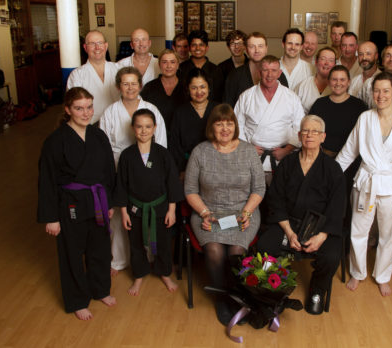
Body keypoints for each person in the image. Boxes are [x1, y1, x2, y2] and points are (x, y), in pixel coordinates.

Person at [336, 72, 392, 297]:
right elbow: (349, 151)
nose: (380, 95)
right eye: (376, 90)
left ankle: (382, 276)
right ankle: (358, 272)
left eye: (385, 90)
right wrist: (331, 176)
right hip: (366, 181)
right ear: (371, 93)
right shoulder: (365, 118)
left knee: (388, 233)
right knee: (359, 230)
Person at [38, 87, 116, 320]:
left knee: (100, 249)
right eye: (79, 108)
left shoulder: (98, 135)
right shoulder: (55, 141)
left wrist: (109, 202)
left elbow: (108, 172)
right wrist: (51, 217)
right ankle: (77, 301)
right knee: (72, 253)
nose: (85, 113)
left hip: (98, 200)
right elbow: (47, 180)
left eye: (89, 107)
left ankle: (100, 289)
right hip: (70, 204)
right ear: (67, 110)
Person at [257, 115, 346, 315]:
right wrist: (288, 232)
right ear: (299, 135)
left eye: (315, 132)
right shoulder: (287, 163)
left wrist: (322, 235)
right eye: (305, 131)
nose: (309, 135)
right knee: (264, 246)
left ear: (323, 137)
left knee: (331, 255)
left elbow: (337, 207)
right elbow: (276, 200)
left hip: (320, 227)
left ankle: (317, 290)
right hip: (288, 223)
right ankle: (273, 289)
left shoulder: (332, 169)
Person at [185, 104, 265, 325]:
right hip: (208, 212)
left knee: (236, 251)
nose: (224, 128)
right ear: (212, 127)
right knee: (214, 250)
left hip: (243, 212)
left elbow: (259, 189)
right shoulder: (200, 152)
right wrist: (204, 213)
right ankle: (222, 298)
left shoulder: (248, 151)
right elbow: (190, 190)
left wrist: (247, 212)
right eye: (219, 124)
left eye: (229, 123)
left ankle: (238, 296)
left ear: (235, 126)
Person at [100, 67, 167, 274]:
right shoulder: (110, 111)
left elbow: (161, 142)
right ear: (119, 86)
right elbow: (103, 145)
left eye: (134, 83)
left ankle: (147, 258)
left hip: (148, 166)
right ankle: (119, 259)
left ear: (140, 85)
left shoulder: (152, 109)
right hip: (119, 163)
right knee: (122, 215)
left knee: (147, 217)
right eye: (125, 83)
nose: (130, 88)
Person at [114, 109, 183, 296]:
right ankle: (139, 275)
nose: (143, 131)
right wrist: (124, 212)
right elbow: (121, 185)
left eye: (148, 126)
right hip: (135, 208)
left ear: (154, 128)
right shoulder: (127, 156)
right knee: (136, 243)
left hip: (160, 207)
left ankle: (165, 273)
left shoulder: (163, 154)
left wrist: (172, 210)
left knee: (163, 242)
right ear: (132, 128)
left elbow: (172, 184)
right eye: (139, 126)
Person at [309, 65, 368, 255]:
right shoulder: (320, 104)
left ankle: (341, 245)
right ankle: (317, 237)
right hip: (322, 161)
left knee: (345, 204)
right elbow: (311, 133)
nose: (338, 83)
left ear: (349, 82)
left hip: (350, 164)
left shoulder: (359, 107)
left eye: (342, 79)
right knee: (321, 201)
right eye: (334, 79)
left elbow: (362, 140)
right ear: (329, 81)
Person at [234, 55, 305, 181]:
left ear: (280, 73)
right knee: (252, 196)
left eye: (273, 70)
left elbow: (299, 127)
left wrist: (287, 150)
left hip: (283, 156)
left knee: (280, 197)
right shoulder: (247, 96)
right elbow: (237, 125)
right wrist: (248, 148)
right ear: (259, 72)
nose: (269, 75)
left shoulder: (291, 97)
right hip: (252, 154)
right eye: (266, 70)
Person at [170, 68, 219, 177]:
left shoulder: (218, 109)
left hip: (217, 166)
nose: (199, 92)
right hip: (187, 167)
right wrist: (182, 169)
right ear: (188, 89)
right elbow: (175, 145)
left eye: (202, 87)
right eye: (194, 88)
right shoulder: (180, 112)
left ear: (209, 88)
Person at [224, 32, 289, 107]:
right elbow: (228, 107)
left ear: (266, 49)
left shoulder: (278, 75)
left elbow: (286, 103)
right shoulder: (234, 76)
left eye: (260, 46)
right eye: (252, 46)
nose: (257, 50)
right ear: (246, 49)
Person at [66, 30, 118, 123]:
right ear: (85, 48)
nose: (97, 47)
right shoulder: (77, 75)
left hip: (118, 122)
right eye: (92, 44)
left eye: (100, 43)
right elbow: (75, 106)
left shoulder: (118, 69)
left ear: (106, 46)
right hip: (90, 125)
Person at [140, 49, 186, 131]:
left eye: (172, 62)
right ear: (159, 65)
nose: (168, 66)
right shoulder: (149, 87)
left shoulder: (186, 87)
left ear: (178, 65)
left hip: (182, 134)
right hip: (156, 134)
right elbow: (142, 114)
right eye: (164, 62)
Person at [178, 30, 224, 102]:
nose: (198, 48)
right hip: (186, 111)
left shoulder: (216, 70)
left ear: (207, 48)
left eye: (201, 45)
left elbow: (219, 97)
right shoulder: (180, 69)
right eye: (194, 45)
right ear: (189, 48)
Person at [294, 47, 336, 113]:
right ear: (316, 62)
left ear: (334, 65)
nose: (327, 63)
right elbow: (293, 112)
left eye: (331, 60)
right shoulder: (302, 86)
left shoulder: (338, 87)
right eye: (323, 59)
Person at [349, 41, 381, 108]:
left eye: (368, 54)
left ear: (376, 56)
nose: (364, 58)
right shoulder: (354, 81)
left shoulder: (383, 80)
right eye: (361, 54)